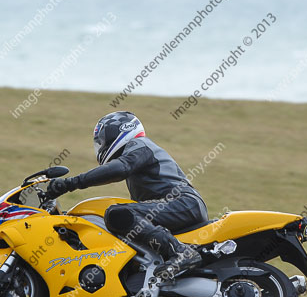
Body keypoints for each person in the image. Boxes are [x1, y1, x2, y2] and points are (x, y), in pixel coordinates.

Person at [46, 111, 207, 279]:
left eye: (102, 141)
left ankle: (181, 253)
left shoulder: (141, 145)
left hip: (183, 203)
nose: (101, 146)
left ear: (122, 131)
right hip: (179, 205)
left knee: (118, 214)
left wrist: (71, 183)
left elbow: (119, 168)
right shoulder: (137, 157)